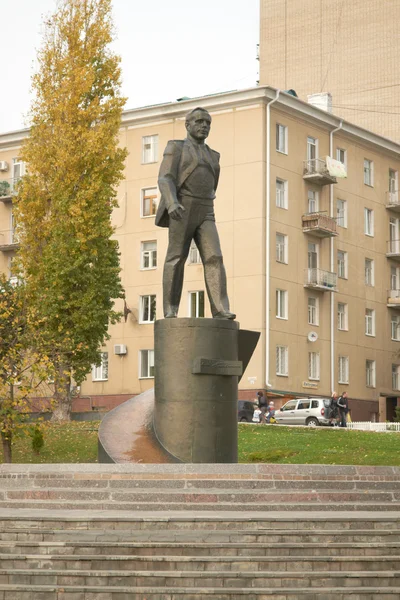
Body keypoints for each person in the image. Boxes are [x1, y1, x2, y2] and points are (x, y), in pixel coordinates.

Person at [156, 107, 235, 320]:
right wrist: (172, 203)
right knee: (176, 257)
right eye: (199, 121)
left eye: (207, 123)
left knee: (214, 256)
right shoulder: (176, 148)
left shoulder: (213, 155)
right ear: (188, 125)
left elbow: (213, 184)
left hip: (206, 209)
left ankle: (220, 309)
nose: (204, 126)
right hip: (182, 208)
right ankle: (170, 310)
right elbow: (165, 178)